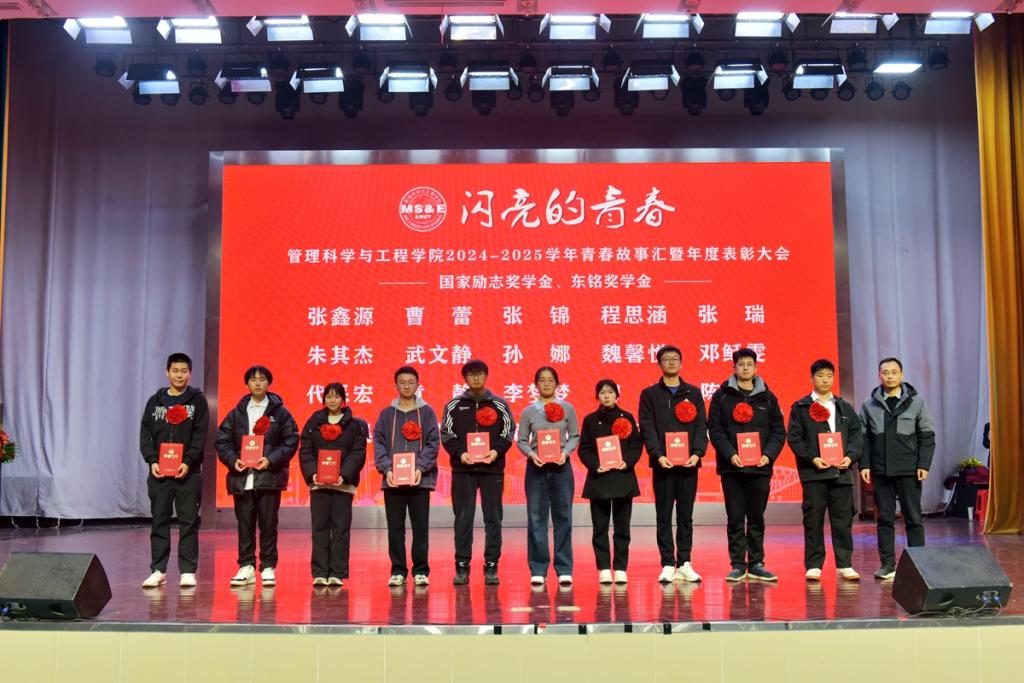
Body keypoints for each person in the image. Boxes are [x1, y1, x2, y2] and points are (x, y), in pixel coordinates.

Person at [215, 365, 299, 587]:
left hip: (268, 477)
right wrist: (233, 460)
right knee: (245, 524)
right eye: (253, 379)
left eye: (262, 379)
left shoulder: (280, 413)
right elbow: (222, 441)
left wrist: (270, 459)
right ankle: (246, 565)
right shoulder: (237, 413)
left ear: (268, 383)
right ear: (247, 384)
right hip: (242, 477)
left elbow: (291, 440)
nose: (258, 382)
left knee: (268, 523)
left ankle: (268, 566)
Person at [708, 348, 787, 582]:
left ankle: (756, 563)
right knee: (734, 517)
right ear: (734, 367)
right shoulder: (721, 396)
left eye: (749, 364)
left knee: (756, 517)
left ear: (756, 368)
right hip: (732, 468)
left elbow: (778, 431)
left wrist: (768, 455)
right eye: (741, 364)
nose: (745, 368)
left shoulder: (768, 398)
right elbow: (715, 429)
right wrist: (730, 454)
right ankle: (737, 564)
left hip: (760, 468)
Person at [786, 359, 863, 582]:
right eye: (820, 375)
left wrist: (850, 457)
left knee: (843, 520)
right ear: (812, 378)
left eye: (829, 375)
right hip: (814, 475)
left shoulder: (844, 407)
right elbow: (795, 438)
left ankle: (845, 564)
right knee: (813, 520)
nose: (825, 380)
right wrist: (813, 459)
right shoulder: (801, 407)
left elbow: (857, 435)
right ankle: (814, 565)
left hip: (841, 474)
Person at [440, 359, 515, 586]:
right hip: (463, 469)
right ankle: (462, 566)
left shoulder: (499, 404)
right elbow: (447, 434)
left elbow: (508, 431)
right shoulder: (453, 405)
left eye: (480, 373)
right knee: (463, 518)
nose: (475, 377)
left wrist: (495, 451)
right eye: (471, 374)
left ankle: (491, 565)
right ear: (465, 378)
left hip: (492, 469)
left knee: (493, 518)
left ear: (486, 376)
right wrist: (460, 453)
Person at [859, 357, 936, 580]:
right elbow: (863, 438)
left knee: (913, 518)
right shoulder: (869, 404)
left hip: (909, 470)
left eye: (894, 372)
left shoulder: (916, 402)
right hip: (881, 471)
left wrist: (923, 464)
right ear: (879, 376)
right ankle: (887, 565)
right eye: (885, 372)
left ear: (902, 375)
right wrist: (865, 464)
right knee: (884, 519)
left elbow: (927, 435)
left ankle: (918, 565)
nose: (890, 376)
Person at [638, 345, 708, 584]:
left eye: (675, 358)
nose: (671, 362)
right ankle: (668, 563)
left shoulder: (694, 393)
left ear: (681, 362)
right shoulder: (650, 394)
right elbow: (647, 427)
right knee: (664, 515)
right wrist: (657, 454)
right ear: (659, 364)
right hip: (663, 465)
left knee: (686, 516)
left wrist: (697, 453)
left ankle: (685, 563)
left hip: (689, 464)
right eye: (666, 359)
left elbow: (701, 425)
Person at [139, 352, 209, 588]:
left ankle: (187, 570)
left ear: (190, 373)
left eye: (184, 371)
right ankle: (158, 570)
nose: (179, 375)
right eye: (175, 371)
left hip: (188, 473)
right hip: (160, 473)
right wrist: (152, 461)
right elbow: (145, 434)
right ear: (167, 372)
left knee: (188, 522)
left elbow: (200, 435)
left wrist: (188, 462)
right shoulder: (155, 401)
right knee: (159, 520)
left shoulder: (197, 401)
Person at [373, 366, 440, 587]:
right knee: (395, 528)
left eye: (411, 382)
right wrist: (387, 469)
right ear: (396, 385)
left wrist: (420, 468)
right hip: (393, 481)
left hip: (420, 481)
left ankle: (420, 570)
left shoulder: (427, 412)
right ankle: (398, 570)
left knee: (420, 528)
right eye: (402, 382)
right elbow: (379, 444)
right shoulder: (386, 414)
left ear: (418, 385)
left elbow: (433, 443)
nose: (406, 386)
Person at [298, 383, 368, 587]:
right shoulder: (313, 423)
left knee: (340, 528)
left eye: (337, 396)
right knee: (319, 527)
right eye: (329, 396)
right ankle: (320, 572)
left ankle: (337, 572)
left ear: (343, 400)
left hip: (342, 486)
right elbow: (306, 451)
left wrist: (344, 475)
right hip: (318, 484)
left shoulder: (355, 425)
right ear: (323, 400)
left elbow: (357, 453)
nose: (332, 400)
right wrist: (313, 474)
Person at [516, 366, 580, 586]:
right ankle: (538, 568)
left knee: (564, 518)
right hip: (536, 468)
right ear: (536, 385)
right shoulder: (529, 411)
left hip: (561, 468)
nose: (546, 384)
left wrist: (565, 452)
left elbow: (575, 435)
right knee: (536, 518)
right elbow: (522, 439)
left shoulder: (567, 408)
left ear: (557, 384)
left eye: (550, 380)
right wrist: (531, 454)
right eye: (542, 380)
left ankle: (564, 568)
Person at [578, 379, 643, 585]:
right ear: (597, 396)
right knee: (600, 528)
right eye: (602, 392)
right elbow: (584, 448)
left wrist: (627, 462)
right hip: (599, 479)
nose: (606, 396)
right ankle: (604, 568)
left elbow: (636, 445)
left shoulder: (627, 417)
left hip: (623, 478)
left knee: (622, 528)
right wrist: (596, 465)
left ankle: (621, 568)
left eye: (610, 392)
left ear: (617, 395)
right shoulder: (590, 420)